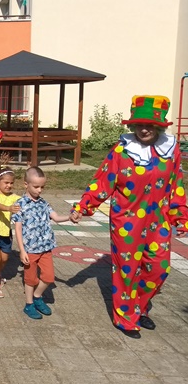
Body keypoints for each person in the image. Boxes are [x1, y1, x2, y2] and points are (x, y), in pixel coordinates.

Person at [71, 95, 188, 339]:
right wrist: (83, 206)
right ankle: (125, 318)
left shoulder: (171, 149)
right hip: (127, 221)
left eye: (149, 125)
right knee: (127, 271)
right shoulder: (122, 151)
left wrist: (180, 215)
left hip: (158, 221)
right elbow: (103, 181)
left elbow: (176, 184)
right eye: (139, 125)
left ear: (158, 126)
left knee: (159, 268)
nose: (143, 129)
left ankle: (140, 307)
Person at [12, 167, 72, 319]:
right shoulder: (19, 204)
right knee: (30, 279)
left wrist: (70, 217)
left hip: (46, 247)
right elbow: (18, 229)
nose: (39, 190)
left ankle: (37, 297)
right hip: (30, 249)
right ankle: (29, 304)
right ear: (26, 184)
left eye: (42, 187)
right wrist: (22, 250)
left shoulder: (44, 203)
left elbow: (56, 217)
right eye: (36, 186)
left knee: (49, 277)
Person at [0, 166, 21, 298]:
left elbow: (25, 202)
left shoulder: (14, 197)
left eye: (11, 183)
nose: (9, 185)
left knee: (5, 259)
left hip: (6, 233)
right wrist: (8, 208)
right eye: (6, 182)